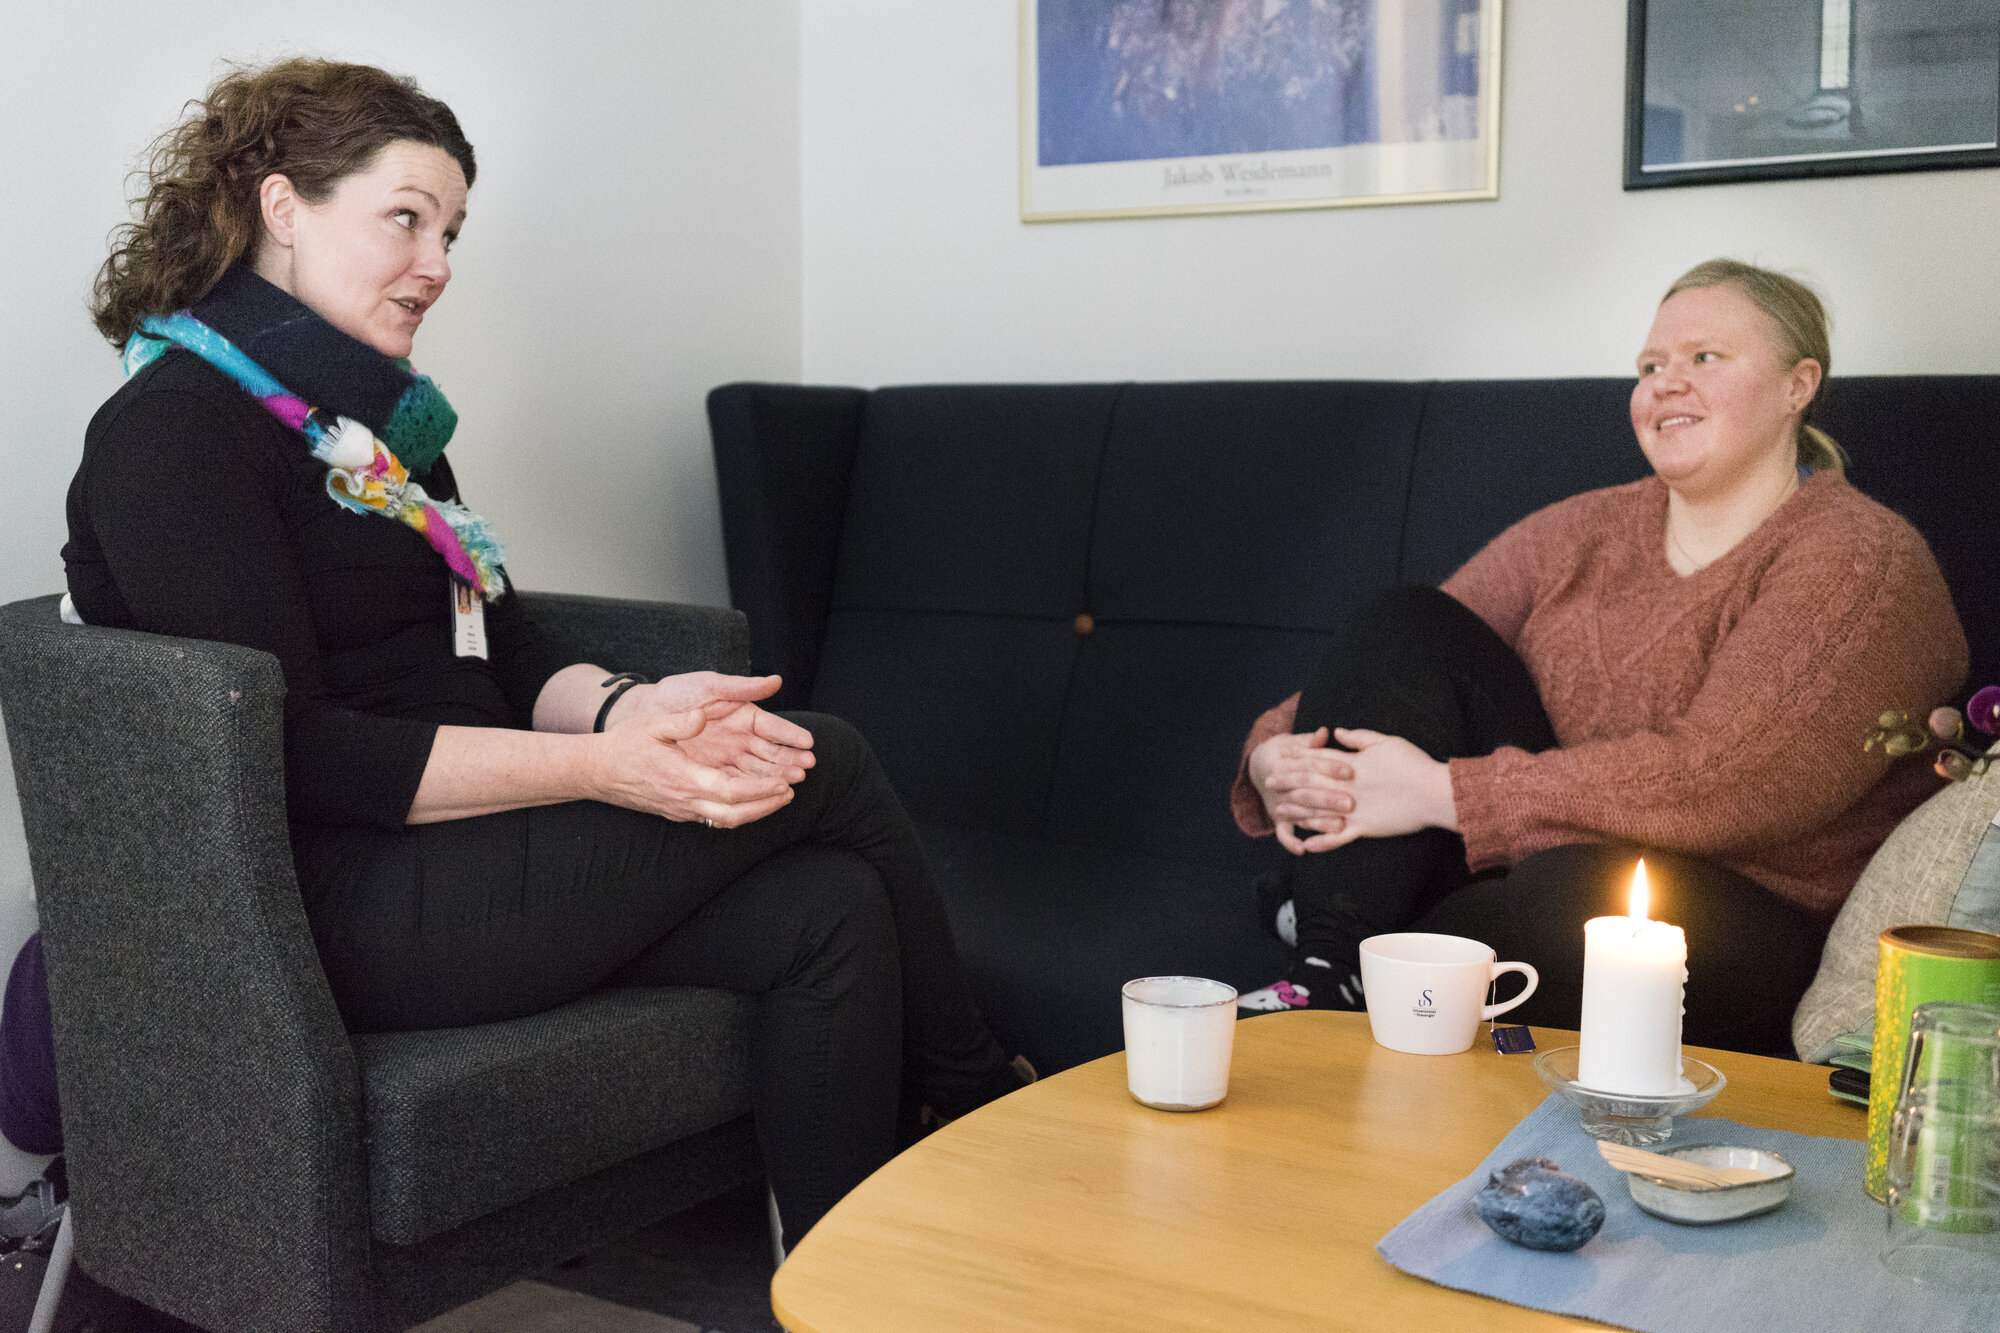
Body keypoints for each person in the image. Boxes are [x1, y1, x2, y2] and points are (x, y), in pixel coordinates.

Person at [62, 58, 1029, 1244]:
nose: (437, 263)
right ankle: (984, 1102)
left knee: (827, 907)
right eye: (406, 218)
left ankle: (850, 1286)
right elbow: (293, 755)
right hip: (336, 907)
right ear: (282, 209)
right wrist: (602, 772)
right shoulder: (173, 434)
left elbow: (507, 648)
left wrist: (634, 710)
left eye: (451, 231)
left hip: (469, 853)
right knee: (820, 756)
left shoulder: (377, 426)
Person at [1231, 259, 1966, 1056]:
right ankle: (1330, 966)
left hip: (1747, 915)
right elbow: (1399, 655)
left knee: (1572, 900)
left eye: (1705, 357)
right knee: (1409, 614)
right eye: (1650, 367)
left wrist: (1444, 794)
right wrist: (1276, 754)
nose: (1666, 383)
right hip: (1538, 857)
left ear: (1799, 384)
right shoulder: (1584, 528)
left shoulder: (1863, 561)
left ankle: (1354, 928)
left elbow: (1726, 781)